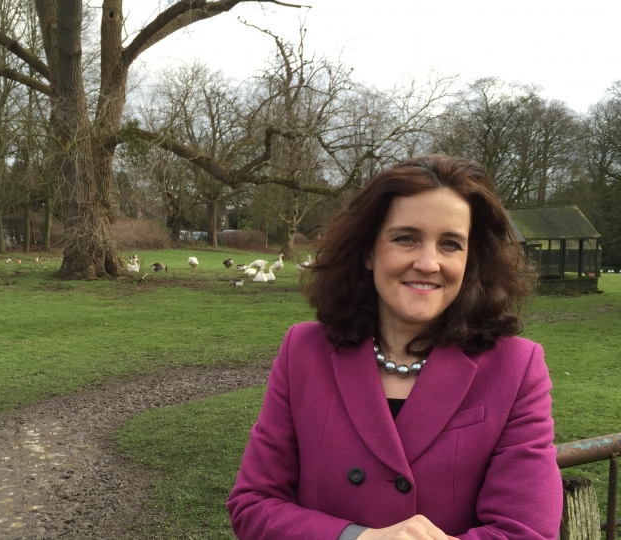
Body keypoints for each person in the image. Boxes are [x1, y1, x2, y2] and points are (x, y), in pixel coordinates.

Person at [227, 155, 562, 540]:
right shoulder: (303, 351)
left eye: (450, 244)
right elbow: (253, 504)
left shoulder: (515, 368)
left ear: (471, 260)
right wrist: (358, 538)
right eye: (406, 238)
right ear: (368, 251)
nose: (428, 263)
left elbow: (527, 532)